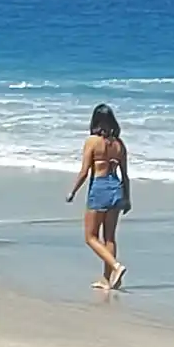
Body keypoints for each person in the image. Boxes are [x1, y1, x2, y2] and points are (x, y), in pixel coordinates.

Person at [65, 103, 131, 290]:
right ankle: (107, 280)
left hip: (100, 188)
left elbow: (84, 171)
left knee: (90, 237)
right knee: (109, 238)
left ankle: (116, 266)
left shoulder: (92, 141)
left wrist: (73, 191)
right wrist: (127, 198)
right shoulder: (119, 144)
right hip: (116, 188)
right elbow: (125, 175)